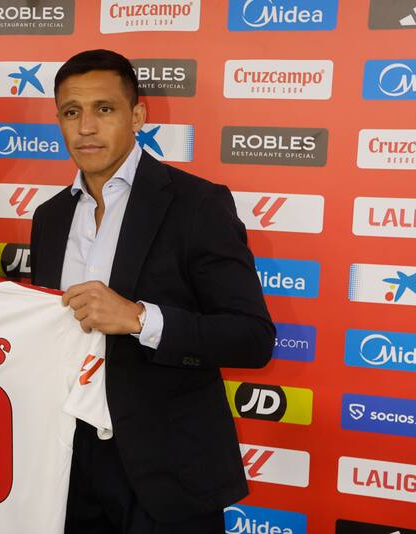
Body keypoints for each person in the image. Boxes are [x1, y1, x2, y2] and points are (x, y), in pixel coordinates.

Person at [29, 49, 275, 533]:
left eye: (104, 109)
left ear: (137, 115)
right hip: (68, 469)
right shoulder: (49, 217)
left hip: (170, 473)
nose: (85, 128)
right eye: (71, 112)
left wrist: (141, 319)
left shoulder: (197, 204)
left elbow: (252, 337)